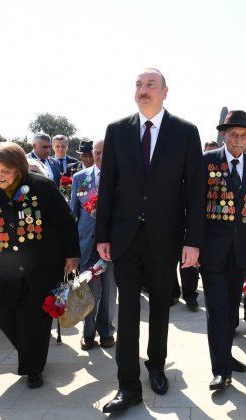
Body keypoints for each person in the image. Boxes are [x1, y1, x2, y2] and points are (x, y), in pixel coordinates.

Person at [96, 68, 204, 413]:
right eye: (139, 85)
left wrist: (192, 240)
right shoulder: (116, 131)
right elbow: (108, 185)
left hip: (165, 237)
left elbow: (195, 191)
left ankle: (156, 366)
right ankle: (127, 386)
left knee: (160, 305)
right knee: (127, 311)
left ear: (165, 91)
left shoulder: (185, 133)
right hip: (125, 237)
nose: (143, 90)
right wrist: (102, 235)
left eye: (150, 85)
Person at [0, 142, 80, 388]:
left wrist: (71, 255)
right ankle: (32, 350)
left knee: (35, 318)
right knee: (0, 312)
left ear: (18, 169)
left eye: (5, 171)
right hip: (4, 268)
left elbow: (66, 222)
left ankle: (34, 368)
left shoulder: (41, 187)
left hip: (41, 266)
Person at [200, 110, 246, 390]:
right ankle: (220, 370)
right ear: (223, 136)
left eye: (244, 135)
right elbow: (194, 206)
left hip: (242, 252)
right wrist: (191, 244)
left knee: (231, 310)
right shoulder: (206, 162)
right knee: (217, 310)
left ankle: (226, 356)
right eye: (234, 134)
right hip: (212, 250)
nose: (239, 139)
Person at [71, 139, 117, 350]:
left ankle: (106, 330)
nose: (100, 157)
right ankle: (87, 333)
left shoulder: (122, 177)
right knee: (87, 291)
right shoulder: (79, 178)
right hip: (86, 245)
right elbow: (74, 214)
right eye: (97, 153)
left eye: (104, 153)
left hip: (112, 247)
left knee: (108, 292)